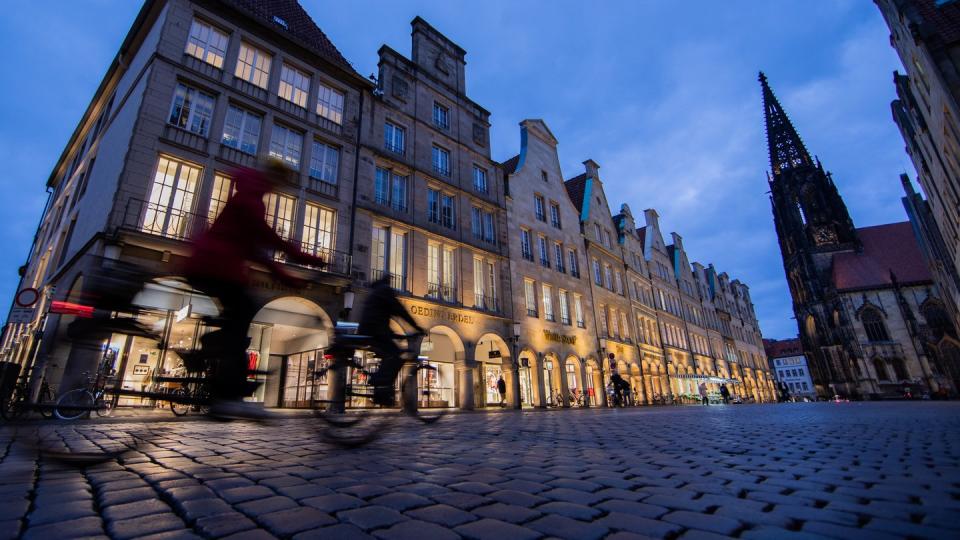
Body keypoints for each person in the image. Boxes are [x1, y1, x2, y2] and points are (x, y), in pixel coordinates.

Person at [182, 162, 327, 420]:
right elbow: (263, 240)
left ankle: (207, 355)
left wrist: (287, 269)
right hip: (217, 265)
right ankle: (226, 396)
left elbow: (257, 245)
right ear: (274, 177)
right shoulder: (251, 199)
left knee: (238, 319)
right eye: (281, 180)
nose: (280, 185)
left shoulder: (249, 192)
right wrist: (300, 262)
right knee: (241, 319)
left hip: (210, 263)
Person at [357, 276, 425, 407]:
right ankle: (381, 388)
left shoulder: (375, 292)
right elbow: (400, 311)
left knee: (389, 354)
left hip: (370, 330)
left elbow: (383, 315)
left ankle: (382, 388)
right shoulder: (385, 291)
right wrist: (416, 327)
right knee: (395, 355)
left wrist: (396, 335)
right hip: (376, 331)